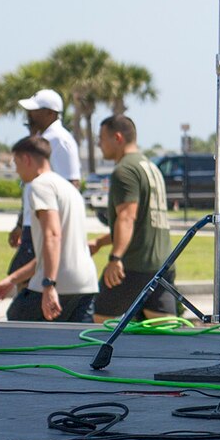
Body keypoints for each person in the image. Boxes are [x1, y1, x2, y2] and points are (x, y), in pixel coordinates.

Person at [0, 137, 98, 323]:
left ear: (26, 159)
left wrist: (48, 285)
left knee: (16, 321)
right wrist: (11, 280)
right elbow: (50, 252)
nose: (16, 170)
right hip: (86, 285)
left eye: (16, 162)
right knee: (76, 349)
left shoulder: (39, 185)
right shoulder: (70, 189)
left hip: (58, 284)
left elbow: (53, 236)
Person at [89, 114, 176, 319]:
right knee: (165, 339)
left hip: (133, 266)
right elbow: (141, 223)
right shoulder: (151, 168)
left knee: (102, 325)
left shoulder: (125, 170)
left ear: (117, 138)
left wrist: (115, 258)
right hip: (162, 266)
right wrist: (100, 242)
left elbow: (127, 217)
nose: (99, 144)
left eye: (101, 138)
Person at [6, 87, 81, 278]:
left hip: (45, 224)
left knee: (22, 278)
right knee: (24, 278)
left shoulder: (60, 139)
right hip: (34, 223)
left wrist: (61, 226)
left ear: (50, 113)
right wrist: (21, 224)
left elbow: (71, 184)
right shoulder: (43, 138)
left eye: (34, 111)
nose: (29, 114)